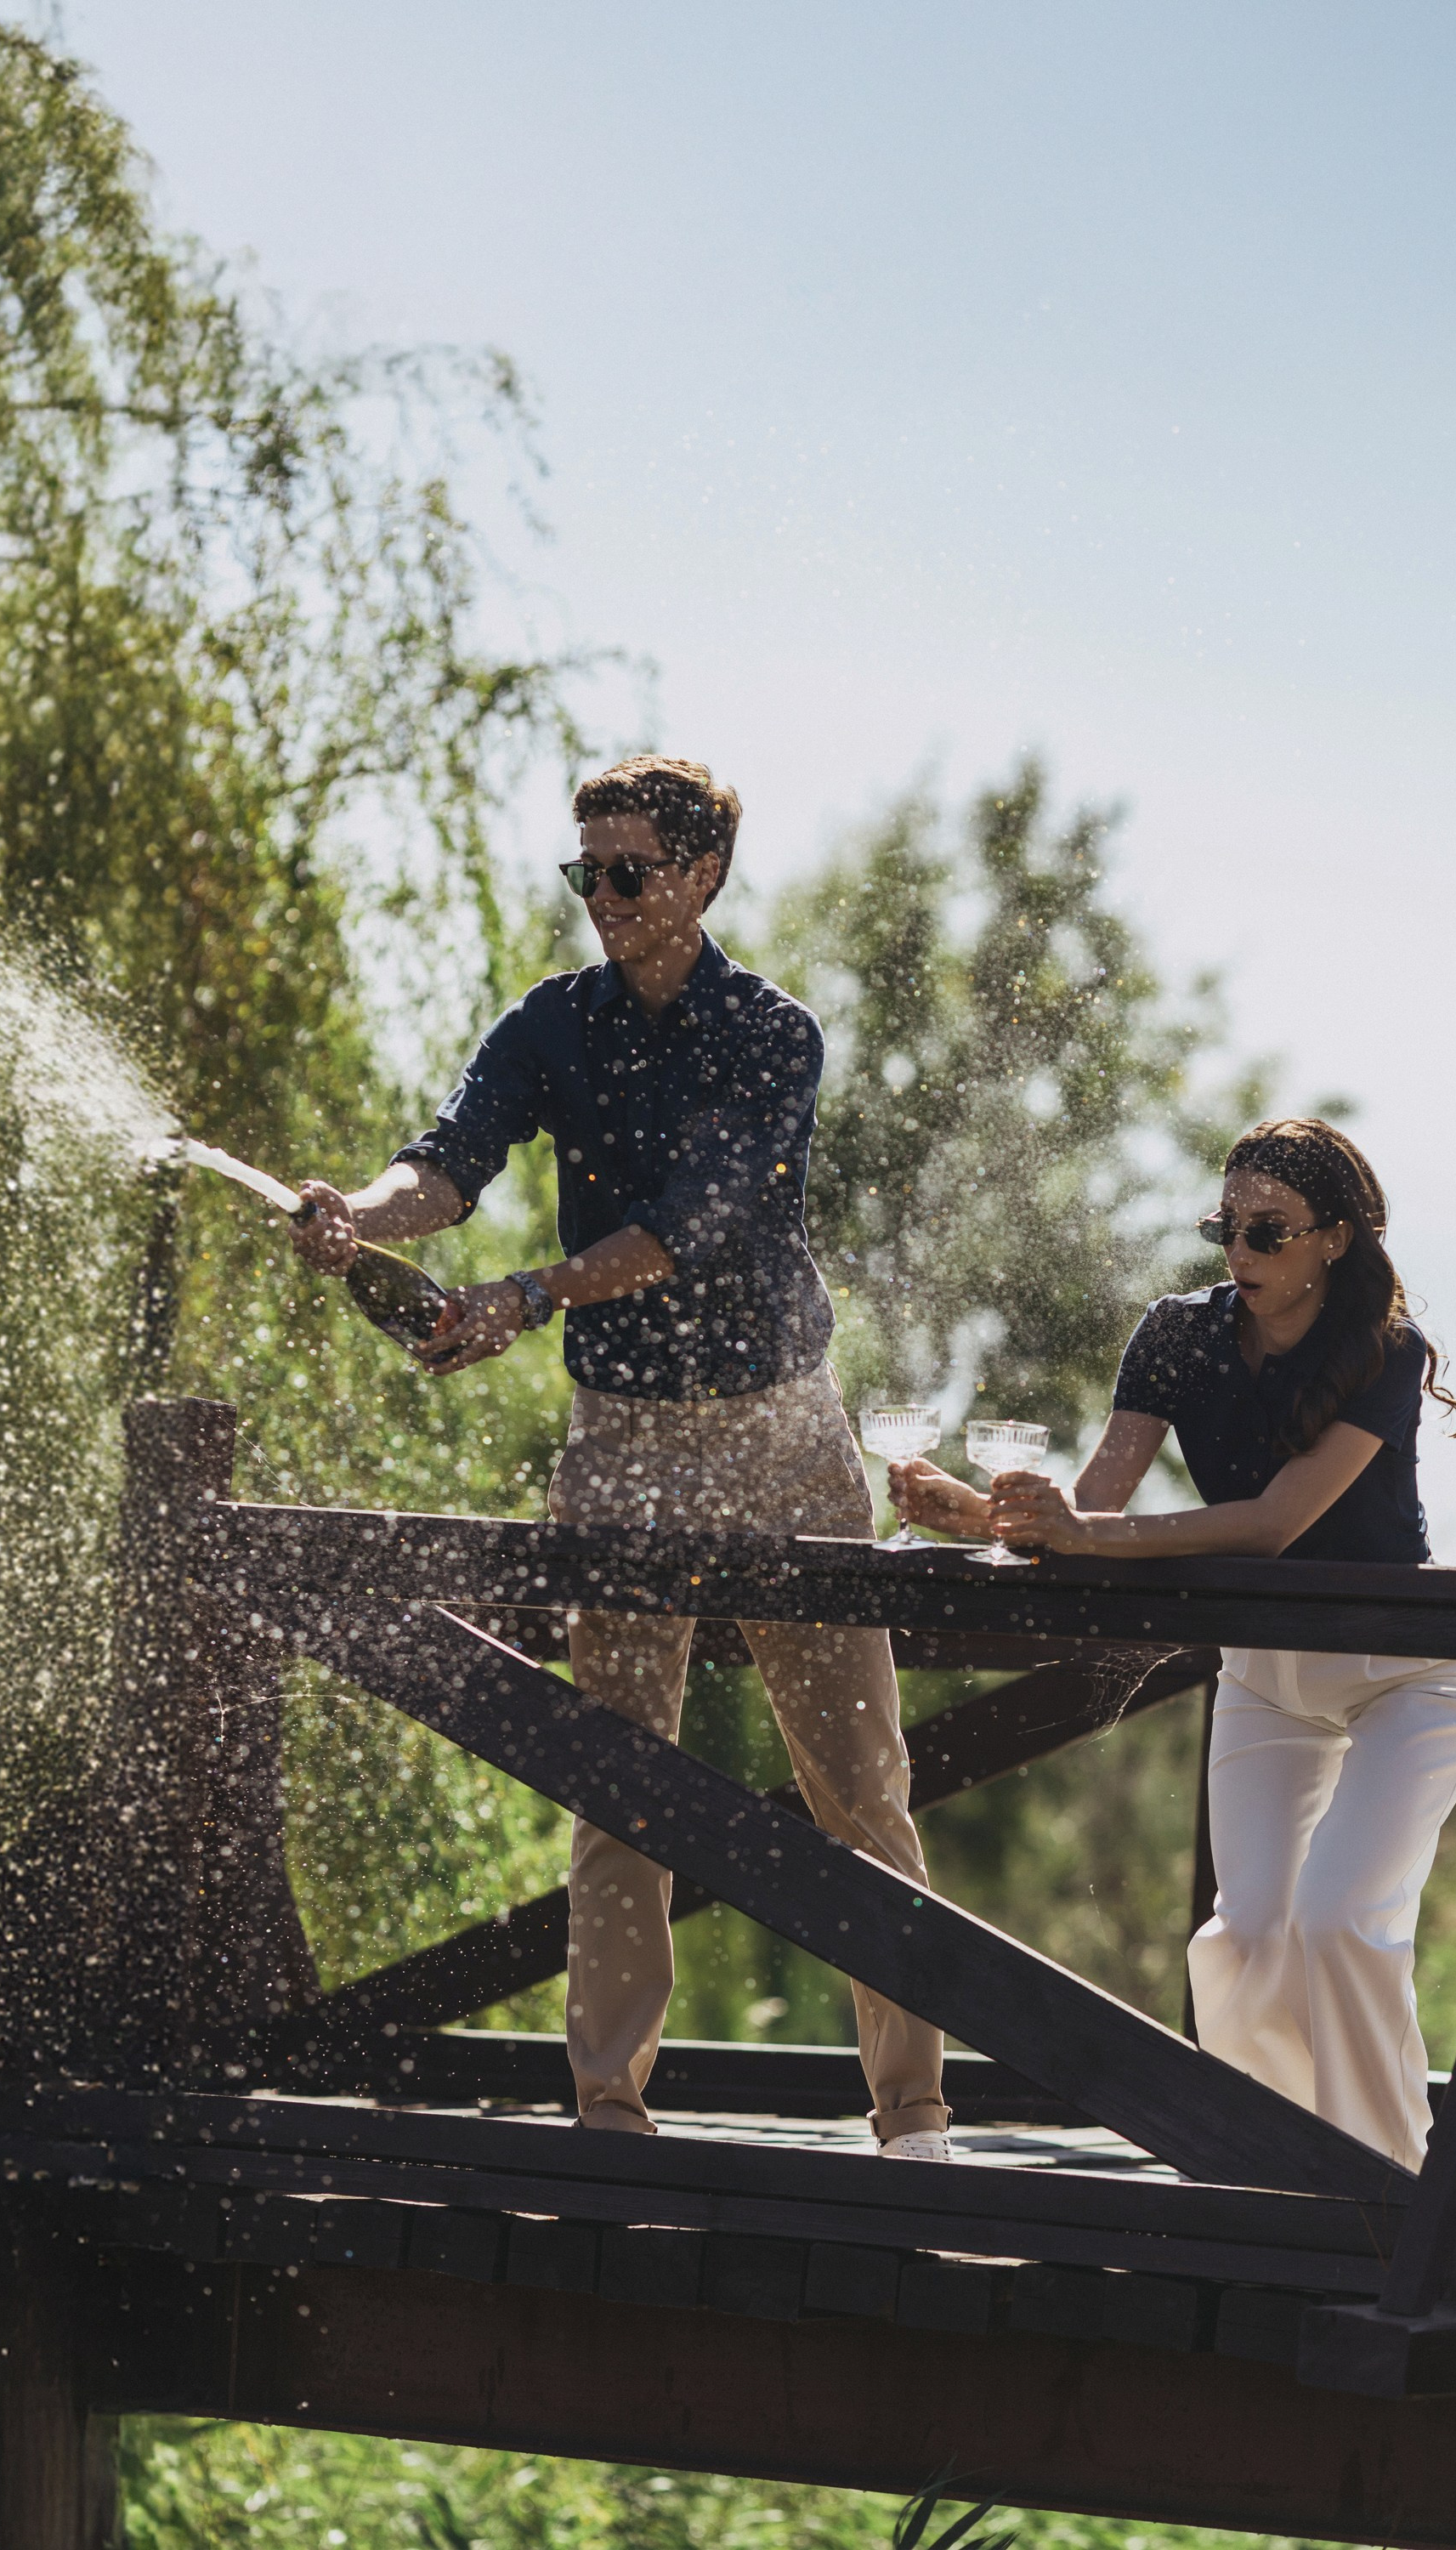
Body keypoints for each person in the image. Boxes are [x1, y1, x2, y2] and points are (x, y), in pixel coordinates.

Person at [292, 756, 955, 2157]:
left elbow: (690, 1225)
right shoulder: (551, 1026)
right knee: (616, 1780)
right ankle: (609, 2114)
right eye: (584, 871)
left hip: (783, 1430)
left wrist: (525, 1299)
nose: (601, 896)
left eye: (628, 871)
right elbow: (452, 1164)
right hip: (623, 1438)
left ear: (703, 875)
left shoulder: (771, 1037)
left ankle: (913, 2112)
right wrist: (360, 1213)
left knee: (860, 1784)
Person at [890, 1118, 1456, 2172]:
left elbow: (1271, 1522)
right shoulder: (1174, 1334)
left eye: (1269, 1231)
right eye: (1227, 1227)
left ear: (1335, 1240)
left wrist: (1080, 1532)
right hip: (1265, 1673)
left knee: (1341, 1925)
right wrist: (976, 1516)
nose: (1240, 1254)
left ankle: (1387, 2191)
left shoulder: (1383, 1353)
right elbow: (1088, 1517)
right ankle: (1272, 2170)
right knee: (1242, 1942)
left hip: (1412, 1673)